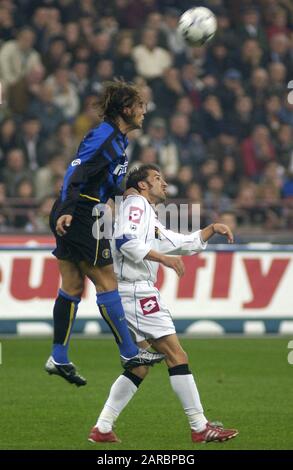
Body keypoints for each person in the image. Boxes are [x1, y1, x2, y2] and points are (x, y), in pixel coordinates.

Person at [88, 164, 239, 444]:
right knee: (176, 355)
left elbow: (173, 241)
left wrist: (210, 230)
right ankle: (199, 426)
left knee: (140, 366)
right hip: (137, 293)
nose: (165, 184)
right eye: (158, 178)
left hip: (129, 292)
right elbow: (124, 241)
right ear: (143, 185)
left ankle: (103, 428)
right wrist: (164, 260)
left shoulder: (147, 212)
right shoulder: (136, 205)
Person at [45, 81, 165, 387]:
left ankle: (58, 356)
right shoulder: (105, 135)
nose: (144, 111)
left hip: (82, 209)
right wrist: (69, 209)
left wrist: (137, 203)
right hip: (83, 211)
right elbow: (76, 170)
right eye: (140, 106)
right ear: (126, 110)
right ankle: (129, 353)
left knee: (72, 286)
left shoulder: (120, 141)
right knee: (107, 281)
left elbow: (110, 185)